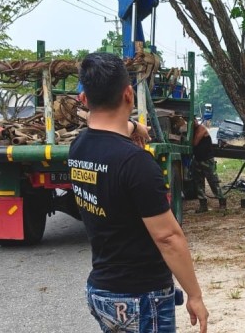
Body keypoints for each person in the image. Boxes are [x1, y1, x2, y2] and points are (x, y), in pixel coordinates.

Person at [69, 52, 209, 333]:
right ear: (129, 94)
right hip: (140, 297)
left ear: (84, 99)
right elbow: (167, 237)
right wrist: (194, 295)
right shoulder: (136, 163)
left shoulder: (79, 146)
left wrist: (134, 126)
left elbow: (103, 128)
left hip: (101, 292)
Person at [191, 120, 221, 213]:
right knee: (199, 183)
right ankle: (203, 206)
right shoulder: (193, 130)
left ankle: (222, 202)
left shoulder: (201, 128)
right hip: (198, 159)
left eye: (194, 120)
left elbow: (195, 142)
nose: (194, 122)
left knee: (213, 181)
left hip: (207, 159)